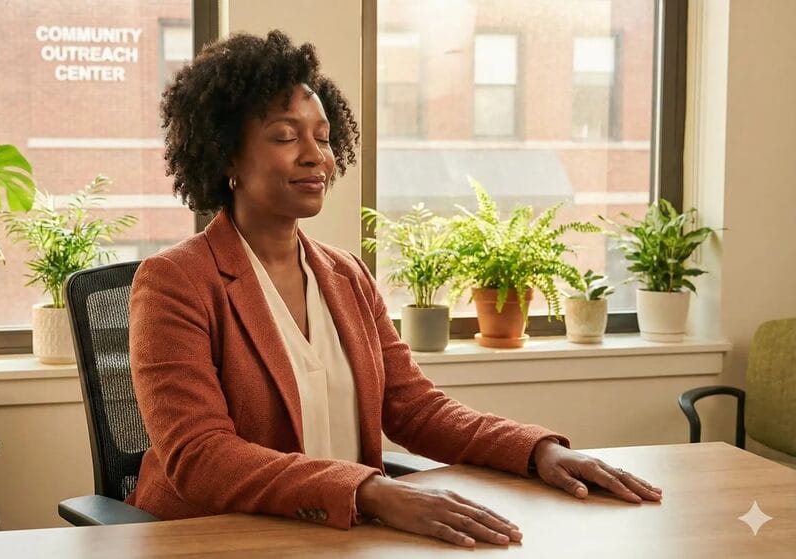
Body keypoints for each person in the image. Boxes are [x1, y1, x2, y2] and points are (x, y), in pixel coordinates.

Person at [127, 30, 662, 548]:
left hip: (338, 538)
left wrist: (536, 450)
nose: (316, 155)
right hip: (221, 540)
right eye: (287, 136)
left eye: (323, 136)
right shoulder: (174, 282)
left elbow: (413, 407)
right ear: (224, 156)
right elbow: (201, 456)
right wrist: (370, 491)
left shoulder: (346, 275)